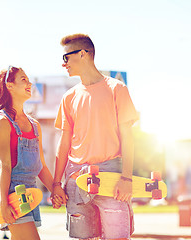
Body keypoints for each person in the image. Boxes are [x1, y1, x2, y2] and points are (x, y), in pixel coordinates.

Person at [51, 34, 139, 240]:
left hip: (111, 177)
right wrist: (57, 184)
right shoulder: (69, 97)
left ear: (83, 54)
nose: (63, 64)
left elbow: (128, 137)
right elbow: (63, 144)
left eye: (66, 58)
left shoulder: (117, 89)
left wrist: (127, 177)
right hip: (75, 178)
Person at [0, 66, 65, 240]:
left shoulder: (34, 125)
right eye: (23, 79)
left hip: (30, 192)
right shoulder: (2, 121)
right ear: (9, 86)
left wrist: (54, 189)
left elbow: (41, 166)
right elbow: (5, 166)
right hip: (11, 192)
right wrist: (3, 204)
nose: (29, 83)